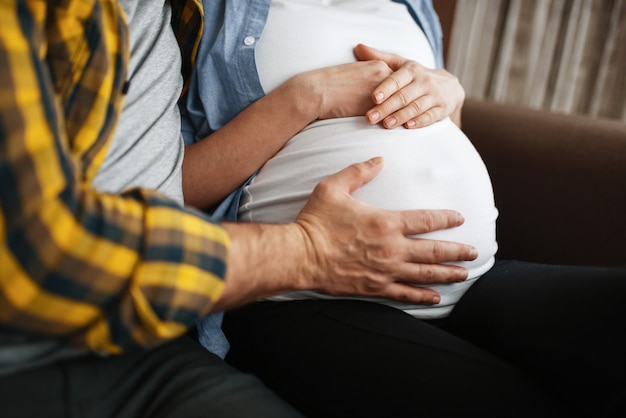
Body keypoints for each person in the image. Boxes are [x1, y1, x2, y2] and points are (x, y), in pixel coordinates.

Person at [0, 0, 479, 417]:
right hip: (291, 291)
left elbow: (151, 192)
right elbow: (45, 247)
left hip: (463, 270)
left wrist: (448, 93)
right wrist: (306, 249)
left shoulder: (167, 16)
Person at [180, 1, 626, 417]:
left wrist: (450, 96)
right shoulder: (194, 13)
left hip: (467, 276)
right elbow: (162, 188)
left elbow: (427, 131)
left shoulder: (413, 5)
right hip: (306, 292)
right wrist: (304, 99)